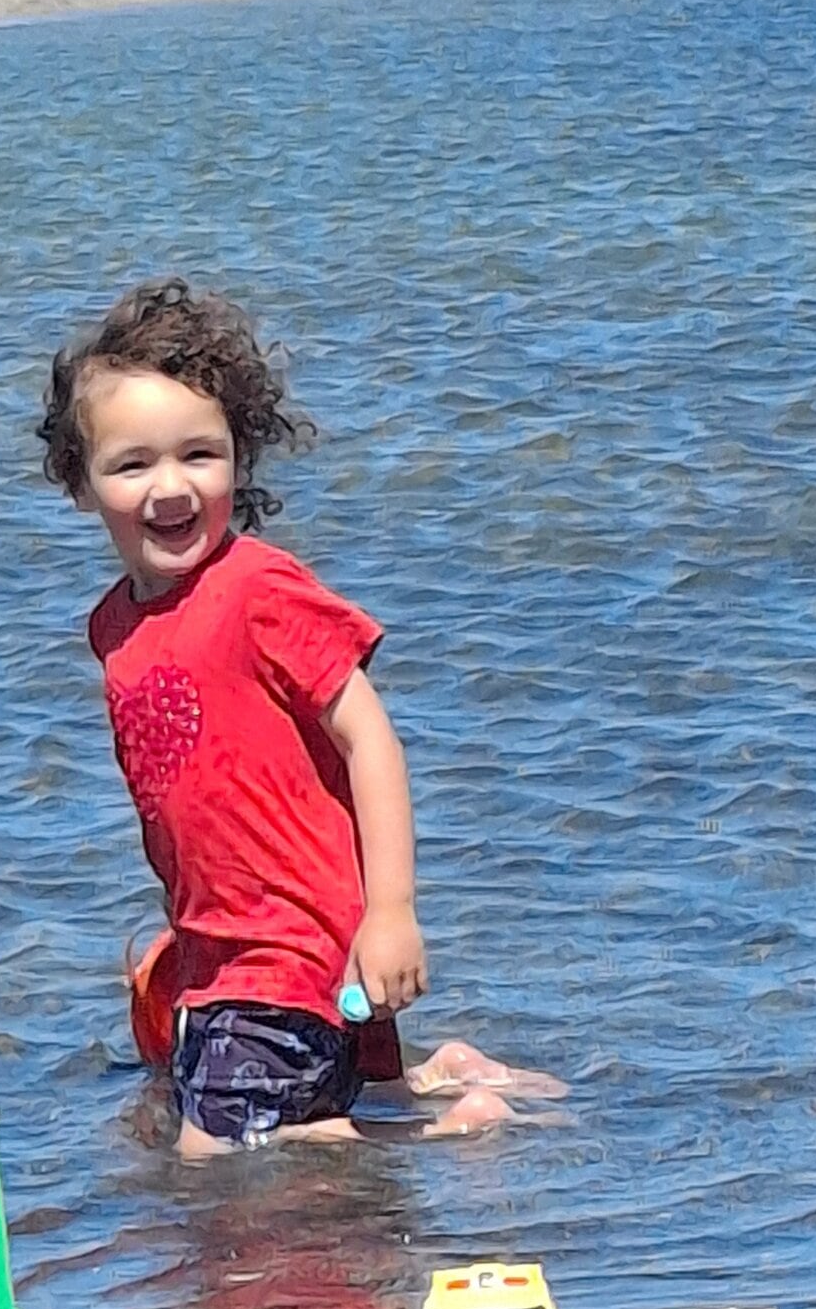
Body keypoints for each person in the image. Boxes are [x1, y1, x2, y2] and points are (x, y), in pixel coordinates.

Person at [39, 276, 564, 1159]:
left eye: (198, 455)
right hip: (229, 949)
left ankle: (455, 1134)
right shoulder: (113, 624)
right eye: (133, 464)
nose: (170, 486)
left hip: (292, 947)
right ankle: (429, 1093)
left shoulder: (259, 590)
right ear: (81, 484)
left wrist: (391, 911)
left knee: (216, 1164)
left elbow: (371, 739)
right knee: (248, 1107)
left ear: (239, 459)